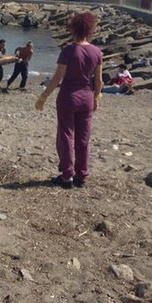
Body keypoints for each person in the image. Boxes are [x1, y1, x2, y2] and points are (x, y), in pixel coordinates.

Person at [35, 11, 103, 189]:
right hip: (87, 97)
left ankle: (67, 175)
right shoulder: (97, 52)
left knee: (66, 135)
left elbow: (57, 78)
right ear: (90, 29)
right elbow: (99, 80)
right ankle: (81, 174)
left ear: (74, 29)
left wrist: (44, 96)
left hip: (68, 97)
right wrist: (97, 97)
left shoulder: (68, 51)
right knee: (83, 137)